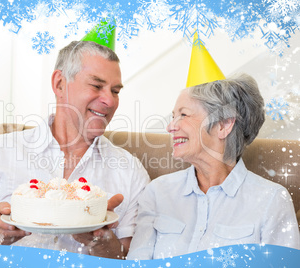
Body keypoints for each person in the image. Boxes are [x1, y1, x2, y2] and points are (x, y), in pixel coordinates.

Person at [0, 40, 150, 259]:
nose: (109, 100)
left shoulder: (130, 171)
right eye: (96, 86)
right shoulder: (0, 151)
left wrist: (100, 241)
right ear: (60, 84)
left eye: (115, 91)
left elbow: (131, 258)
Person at [127, 37, 300, 259]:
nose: (171, 126)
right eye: (173, 116)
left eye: (183, 115)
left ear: (223, 124)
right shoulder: (158, 192)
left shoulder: (271, 200)